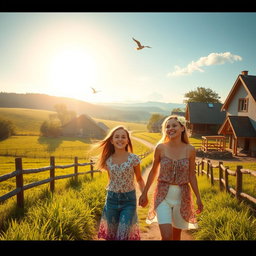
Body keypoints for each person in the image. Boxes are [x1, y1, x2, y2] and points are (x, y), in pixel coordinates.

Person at [139, 115, 203, 240]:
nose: (170, 128)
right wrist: (144, 192)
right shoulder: (160, 148)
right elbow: (153, 172)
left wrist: (198, 198)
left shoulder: (190, 150)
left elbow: (192, 175)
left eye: (174, 125)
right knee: (167, 236)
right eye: (167, 126)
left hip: (182, 197)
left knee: (176, 236)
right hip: (163, 196)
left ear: (182, 128)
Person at [97, 125, 145, 240]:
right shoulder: (107, 160)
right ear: (112, 141)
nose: (120, 139)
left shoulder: (134, 159)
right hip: (111, 200)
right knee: (111, 236)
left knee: (123, 236)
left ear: (127, 140)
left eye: (123, 137)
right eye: (117, 137)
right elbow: (111, 179)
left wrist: (144, 194)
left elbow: (139, 179)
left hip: (128, 201)